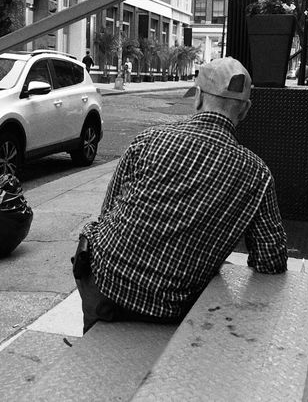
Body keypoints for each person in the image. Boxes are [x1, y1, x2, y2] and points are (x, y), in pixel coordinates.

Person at [74, 57, 288, 333]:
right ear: (245, 110)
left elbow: (107, 215)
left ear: (198, 98)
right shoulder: (257, 174)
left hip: (103, 282)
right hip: (168, 307)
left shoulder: (148, 140)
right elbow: (270, 261)